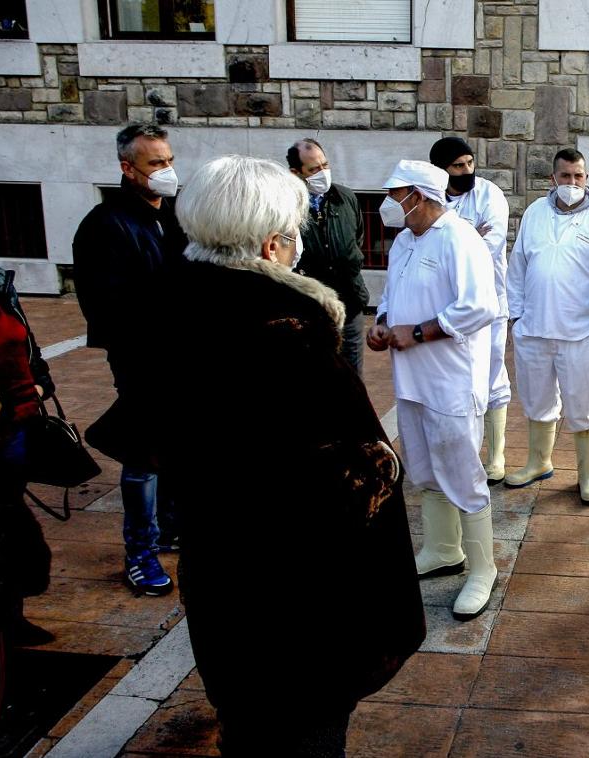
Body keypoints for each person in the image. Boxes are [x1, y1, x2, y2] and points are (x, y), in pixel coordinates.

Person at [143, 155, 424, 756]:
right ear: (273, 245)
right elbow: (337, 483)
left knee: (246, 727)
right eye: (295, 231)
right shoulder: (282, 337)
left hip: (222, 579)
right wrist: (378, 465)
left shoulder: (181, 309)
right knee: (298, 736)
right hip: (294, 607)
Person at [368, 160, 499, 621]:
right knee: (424, 466)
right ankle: (444, 549)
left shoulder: (460, 239)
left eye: (395, 193)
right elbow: (391, 295)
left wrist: (419, 332)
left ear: (420, 197)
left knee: (462, 471)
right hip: (411, 378)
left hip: (449, 379)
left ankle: (483, 568)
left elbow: (479, 306)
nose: (389, 203)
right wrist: (383, 324)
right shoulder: (405, 240)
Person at [73, 122, 187, 596]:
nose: (166, 170)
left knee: (178, 447)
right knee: (143, 457)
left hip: (184, 356)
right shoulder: (105, 226)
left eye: (169, 160)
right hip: (142, 360)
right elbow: (107, 305)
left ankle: (170, 525)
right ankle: (140, 550)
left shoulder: (177, 214)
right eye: (155, 163)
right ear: (128, 168)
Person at [504, 148, 589, 504]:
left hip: (579, 332)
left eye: (578, 176)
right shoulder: (534, 213)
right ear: (552, 179)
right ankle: (538, 462)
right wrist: (518, 316)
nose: (571, 183)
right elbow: (518, 267)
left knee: (581, 406)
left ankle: (586, 476)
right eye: (565, 176)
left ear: (587, 179)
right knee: (536, 400)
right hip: (534, 329)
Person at [0, 261, 58, 740]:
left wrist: (40, 380)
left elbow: (22, 339)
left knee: (12, 528)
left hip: (15, 423)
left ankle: (12, 618)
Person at [428, 137, 512, 484]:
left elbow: (488, 246)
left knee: (492, 376)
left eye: (470, 163)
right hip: (444, 307)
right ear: (441, 170)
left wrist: (451, 239)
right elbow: (422, 242)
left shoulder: (489, 193)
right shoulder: (430, 196)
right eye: (458, 166)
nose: (467, 171)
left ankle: (495, 456)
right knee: (453, 380)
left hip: (487, 304)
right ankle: (460, 452)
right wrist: (467, 235)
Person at [286, 138, 370, 375]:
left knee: (352, 375)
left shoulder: (345, 198)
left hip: (349, 301)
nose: (323, 172)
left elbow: (356, 239)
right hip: (311, 306)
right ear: (296, 172)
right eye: (314, 169)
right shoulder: (288, 205)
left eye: (325, 165)